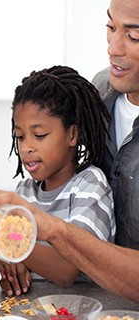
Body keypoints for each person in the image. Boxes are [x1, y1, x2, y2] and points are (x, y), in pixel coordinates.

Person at [0, 65, 115, 296]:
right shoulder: (25, 193)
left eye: (40, 135)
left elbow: (67, 270)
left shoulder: (89, 186)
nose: (26, 147)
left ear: (73, 134)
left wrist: (3, 241)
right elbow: (16, 244)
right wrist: (6, 262)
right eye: (20, 137)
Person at [92, 0, 139, 250]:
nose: (113, 48)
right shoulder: (97, 92)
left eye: (133, 37)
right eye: (111, 26)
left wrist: (61, 234)